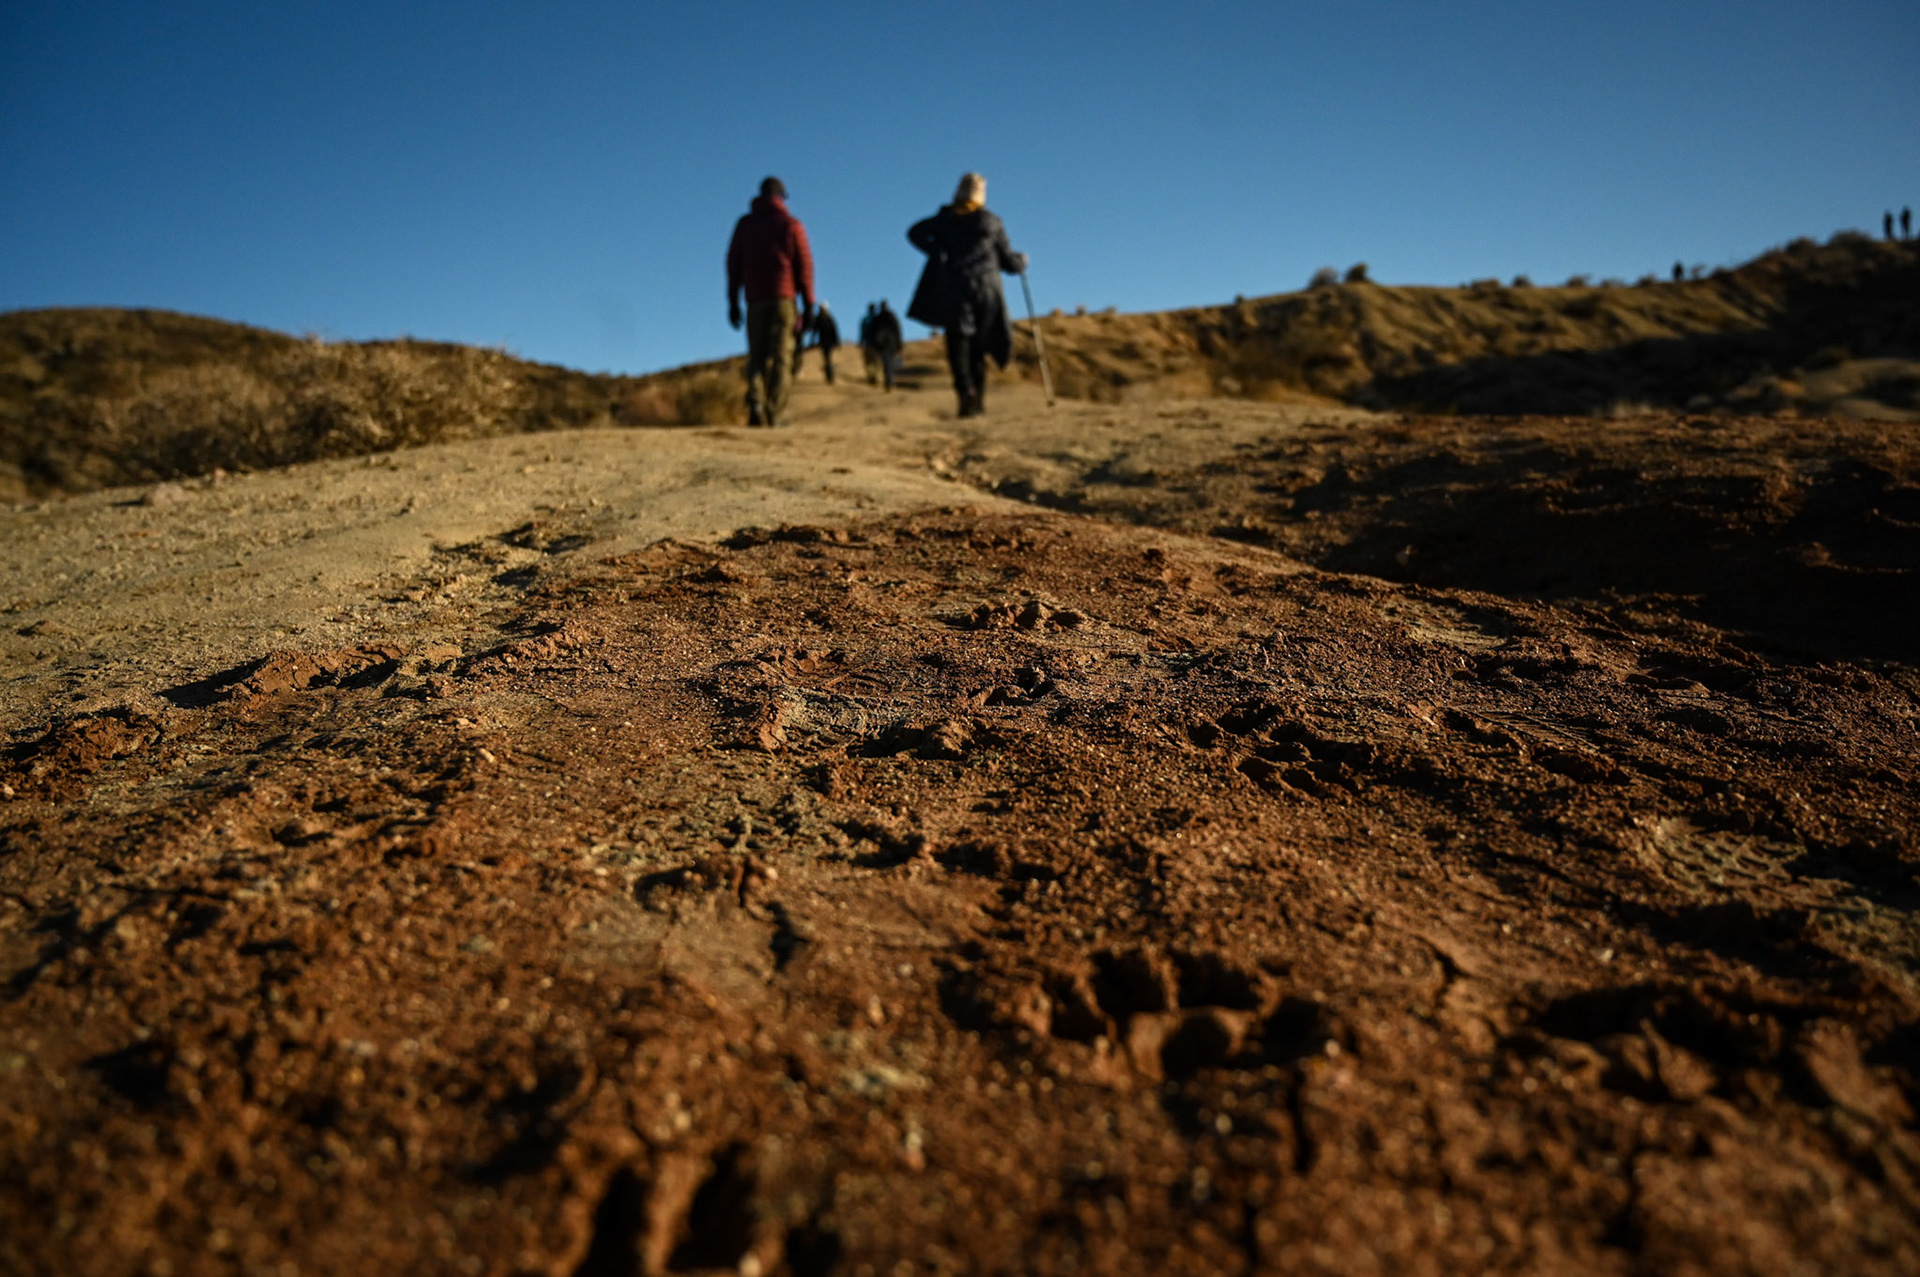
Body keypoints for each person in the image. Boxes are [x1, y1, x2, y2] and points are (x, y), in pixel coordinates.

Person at [907, 173, 1027, 417]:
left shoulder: (945, 220)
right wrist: (1021, 262)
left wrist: (936, 251)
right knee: (977, 349)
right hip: (986, 290)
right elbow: (1009, 262)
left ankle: (966, 393)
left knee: (958, 345)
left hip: (954, 288)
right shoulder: (991, 222)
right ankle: (977, 401)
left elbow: (914, 232)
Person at [726, 176, 815, 426]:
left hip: (754, 299)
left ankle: (755, 401)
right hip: (783, 299)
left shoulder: (745, 225)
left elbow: (733, 264)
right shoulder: (791, 225)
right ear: (781, 198)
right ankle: (774, 411)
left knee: (756, 356)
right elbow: (804, 266)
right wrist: (809, 304)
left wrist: (732, 301)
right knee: (781, 356)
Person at [870, 300, 903, 391]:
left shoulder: (878, 318)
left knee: (887, 363)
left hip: (884, 344)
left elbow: (897, 330)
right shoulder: (890, 317)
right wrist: (899, 344)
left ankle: (889, 382)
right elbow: (897, 331)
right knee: (889, 363)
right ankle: (889, 382)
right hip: (889, 343)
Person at [812, 303, 840, 384]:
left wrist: (837, 341)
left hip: (829, 342)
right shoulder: (819, 318)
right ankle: (829, 375)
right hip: (823, 342)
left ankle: (831, 375)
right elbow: (815, 331)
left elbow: (834, 330)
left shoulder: (829, 318)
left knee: (828, 358)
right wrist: (813, 341)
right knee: (826, 358)